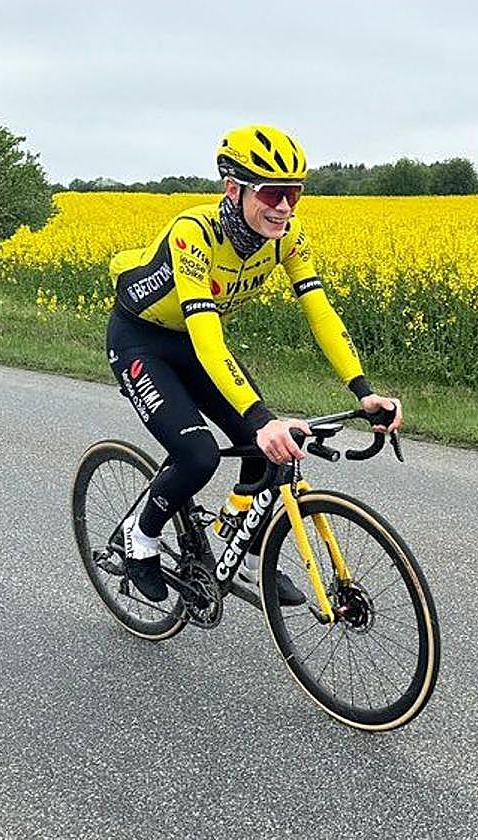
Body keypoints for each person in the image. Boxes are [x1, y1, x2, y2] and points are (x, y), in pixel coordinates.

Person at [106, 124, 402, 604]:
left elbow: (320, 311)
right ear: (233, 188)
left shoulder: (287, 236)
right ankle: (141, 539)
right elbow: (207, 336)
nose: (284, 206)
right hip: (142, 342)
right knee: (197, 455)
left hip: (197, 343)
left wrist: (363, 390)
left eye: (294, 193)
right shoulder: (194, 233)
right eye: (271, 192)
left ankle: (237, 551)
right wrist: (261, 418)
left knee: (265, 450)